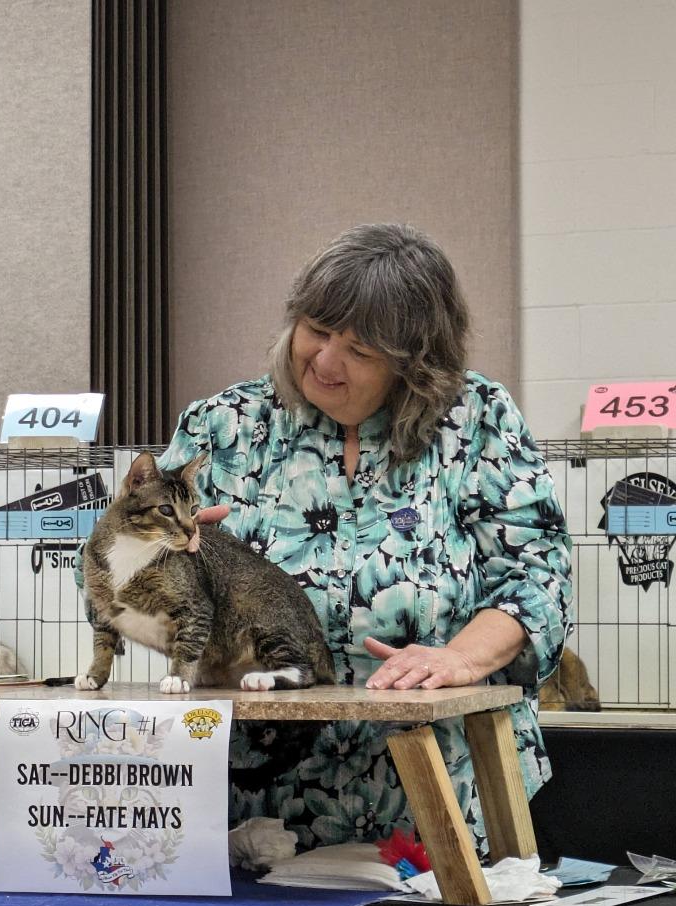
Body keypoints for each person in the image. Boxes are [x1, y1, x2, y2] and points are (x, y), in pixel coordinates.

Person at [96, 223, 573, 858]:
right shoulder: (225, 426)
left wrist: (460, 659)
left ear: (414, 365)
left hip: (439, 797)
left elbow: (538, 575)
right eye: (316, 331)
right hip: (256, 802)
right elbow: (110, 574)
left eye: (360, 350)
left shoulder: (477, 420)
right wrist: (158, 560)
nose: (324, 362)